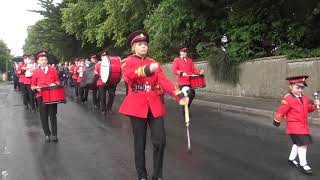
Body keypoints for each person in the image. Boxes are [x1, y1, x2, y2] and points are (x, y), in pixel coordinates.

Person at [119, 30, 189, 180]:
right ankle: (142, 175)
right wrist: (145, 70)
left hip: (154, 104)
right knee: (140, 143)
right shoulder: (127, 62)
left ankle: (157, 175)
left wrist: (179, 95)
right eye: (140, 44)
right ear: (133, 47)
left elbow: (164, 81)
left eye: (145, 44)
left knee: (160, 141)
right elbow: (128, 76)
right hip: (136, 106)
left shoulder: (153, 63)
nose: (144, 47)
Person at [273, 75, 320, 175]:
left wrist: (315, 105)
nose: (300, 90)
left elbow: (307, 109)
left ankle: (291, 158)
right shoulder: (288, 99)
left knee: (297, 143)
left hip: (303, 125)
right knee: (303, 144)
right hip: (294, 126)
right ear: (291, 87)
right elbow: (282, 110)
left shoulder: (304, 98)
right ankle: (303, 164)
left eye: (302, 88)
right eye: (297, 87)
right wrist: (277, 120)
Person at [31, 51, 61, 142]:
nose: (44, 61)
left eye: (45, 59)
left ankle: (54, 134)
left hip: (52, 96)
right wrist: (36, 88)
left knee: (53, 115)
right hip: (41, 96)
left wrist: (54, 84)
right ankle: (47, 134)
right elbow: (32, 85)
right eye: (42, 60)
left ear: (47, 60)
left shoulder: (53, 69)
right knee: (43, 116)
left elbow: (58, 81)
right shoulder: (35, 72)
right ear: (38, 62)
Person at [172, 47, 204, 116]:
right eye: (183, 52)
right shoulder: (177, 60)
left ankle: (186, 107)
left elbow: (193, 70)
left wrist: (199, 73)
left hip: (190, 82)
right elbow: (175, 70)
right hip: (182, 83)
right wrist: (181, 73)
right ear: (180, 52)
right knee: (188, 93)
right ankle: (186, 111)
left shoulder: (189, 60)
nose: (185, 53)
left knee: (192, 94)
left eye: (186, 52)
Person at [94, 50, 118, 114]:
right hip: (101, 82)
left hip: (111, 82)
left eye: (106, 56)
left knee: (112, 95)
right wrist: (98, 74)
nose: (104, 57)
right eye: (103, 56)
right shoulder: (98, 65)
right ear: (101, 57)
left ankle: (109, 108)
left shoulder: (112, 64)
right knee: (102, 96)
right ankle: (103, 109)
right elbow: (95, 72)